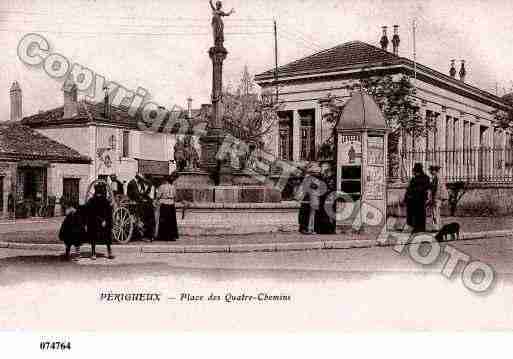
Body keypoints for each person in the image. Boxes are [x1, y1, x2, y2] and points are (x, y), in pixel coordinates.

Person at [86, 182, 114, 260]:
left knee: (95, 237)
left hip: (96, 222)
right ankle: (108, 252)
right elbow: (108, 212)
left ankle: (94, 253)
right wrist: (104, 220)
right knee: (106, 237)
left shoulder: (92, 200)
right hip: (99, 222)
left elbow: (89, 212)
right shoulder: (104, 201)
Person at [404, 163, 431, 233]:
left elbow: (411, 189)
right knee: (419, 214)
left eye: (414, 171)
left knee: (417, 214)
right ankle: (420, 228)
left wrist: (412, 192)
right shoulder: (425, 177)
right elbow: (427, 187)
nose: (413, 172)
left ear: (416, 171)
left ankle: (417, 228)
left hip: (417, 198)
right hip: (418, 199)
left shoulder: (418, 178)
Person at [156, 175, 179, 241]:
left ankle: (163, 236)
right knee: (172, 221)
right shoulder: (173, 187)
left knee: (163, 221)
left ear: (165, 180)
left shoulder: (162, 187)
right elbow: (175, 196)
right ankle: (172, 236)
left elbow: (158, 196)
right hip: (171, 204)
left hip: (164, 204)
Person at [428, 165, 449, 231]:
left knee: (435, 212)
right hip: (439, 197)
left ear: (434, 171)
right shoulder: (438, 177)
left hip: (437, 197)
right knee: (436, 212)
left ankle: (436, 227)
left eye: (431, 170)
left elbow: (437, 189)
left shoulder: (437, 177)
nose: (430, 172)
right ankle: (437, 227)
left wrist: (433, 198)